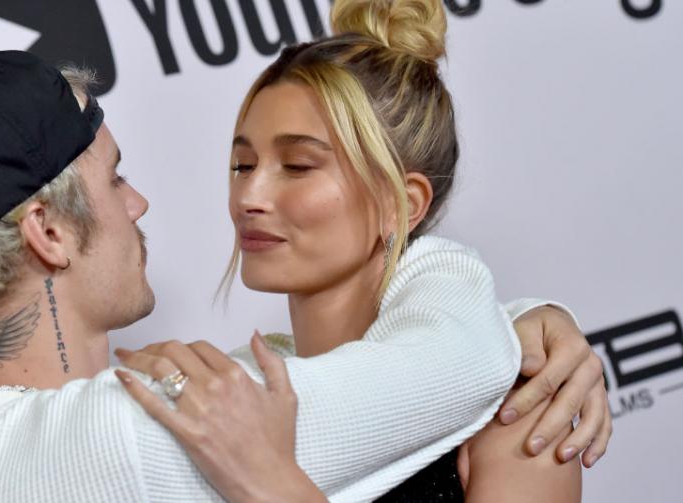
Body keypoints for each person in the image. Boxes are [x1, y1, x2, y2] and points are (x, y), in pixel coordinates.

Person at [0, 50, 606, 503]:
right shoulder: (99, 447)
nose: (140, 202)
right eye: (115, 179)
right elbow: (450, 364)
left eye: (296, 164)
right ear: (50, 231)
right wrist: (519, 314)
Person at [114, 0, 605, 501]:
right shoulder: (227, 395)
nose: (250, 198)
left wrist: (262, 477)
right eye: (243, 165)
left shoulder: (517, 410)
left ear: (400, 203)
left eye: (298, 165)